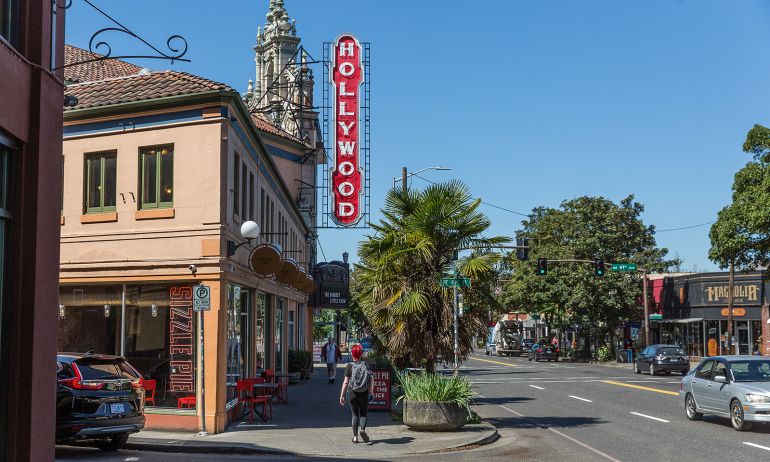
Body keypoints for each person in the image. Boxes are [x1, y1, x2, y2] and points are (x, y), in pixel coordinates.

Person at [339, 344, 372, 443]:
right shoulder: (366, 365)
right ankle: (362, 429)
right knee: (363, 413)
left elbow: (345, 382)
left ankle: (355, 437)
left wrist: (342, 395)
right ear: (361, 354)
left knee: (354, 414)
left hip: (352, 393)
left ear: (352, 354)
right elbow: (370, 380)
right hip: (364, 392)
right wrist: (371, 392)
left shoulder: (349, 366)